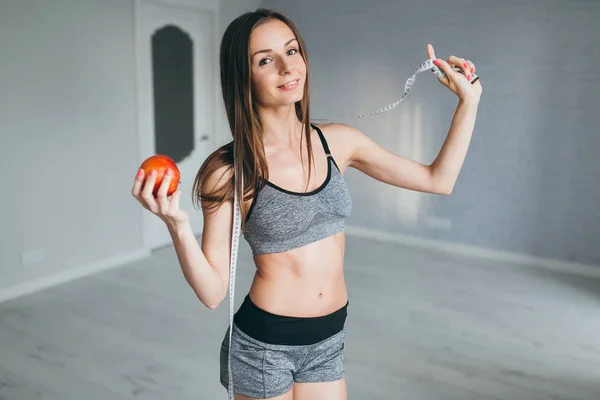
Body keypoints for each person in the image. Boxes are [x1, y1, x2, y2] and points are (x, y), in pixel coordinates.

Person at [131, 7, 482, 400]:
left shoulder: (341, 143)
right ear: (243, 77)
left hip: (328, 338)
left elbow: (439, 180)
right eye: (265, 60)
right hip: (264, 347)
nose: (287, 67)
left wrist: (469, 103)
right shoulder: (231, 171)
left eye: (292, 51)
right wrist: (177, 224)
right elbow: (213, 292)